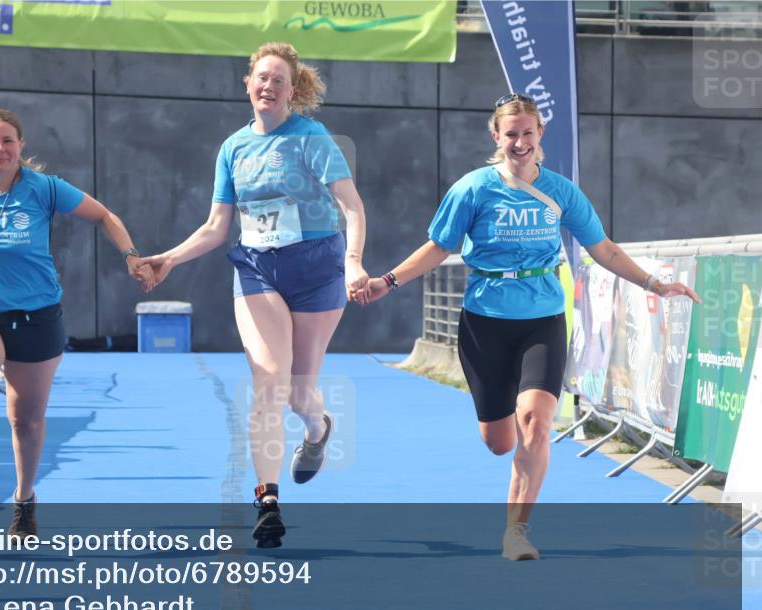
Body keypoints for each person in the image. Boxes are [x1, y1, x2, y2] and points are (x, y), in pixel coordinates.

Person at [363, 92, 700, 560]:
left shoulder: (561, 192)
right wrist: (388, 280)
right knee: (499, 442)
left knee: (536, 423)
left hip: (542, 318)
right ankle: (502, 451)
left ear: (540, 134)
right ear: (495, 137)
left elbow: (602, 248)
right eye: (510, 134)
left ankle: (516, 532)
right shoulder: (473, 189)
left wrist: (653, 282)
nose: (519, 142)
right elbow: (439, 247)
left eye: (527, 133)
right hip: (485, 322)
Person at [138, 43, 370, 548]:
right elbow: (217, 226)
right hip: (257, 269)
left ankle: (317, 428)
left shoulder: (310, 137)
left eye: (279, 80)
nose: (268, 86)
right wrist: (170, 258)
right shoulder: (233, 148)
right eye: (261, 78)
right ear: (247, 83)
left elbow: (352, 207)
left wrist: (353, 262)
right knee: (268, 382)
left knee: (298, 394)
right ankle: (267, 501)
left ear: (292, 90)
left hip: (316, 270)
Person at [0, 108, 152, 537]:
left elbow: (105, 215)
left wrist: (131, 256)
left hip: (37, 315)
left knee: (25, 421)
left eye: (7, 140)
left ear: (21, 146)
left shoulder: (45, 188)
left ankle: (24, 498)